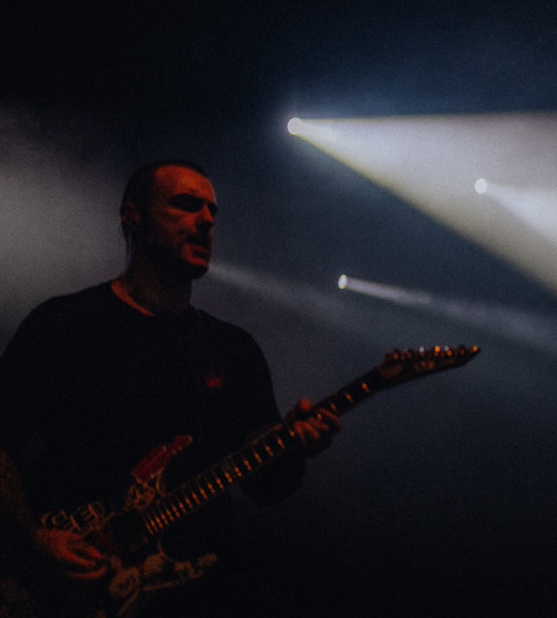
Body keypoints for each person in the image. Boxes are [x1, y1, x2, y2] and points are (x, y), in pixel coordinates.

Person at [0, 160, 340, 617]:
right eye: (186, 205)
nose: (206, 221)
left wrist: (295, 449)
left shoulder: (233, 349)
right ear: (132, 215)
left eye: (213, 212)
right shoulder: (64, 324)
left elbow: (267, 489)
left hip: (201, 596)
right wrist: (35, 537)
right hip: (74, 586)